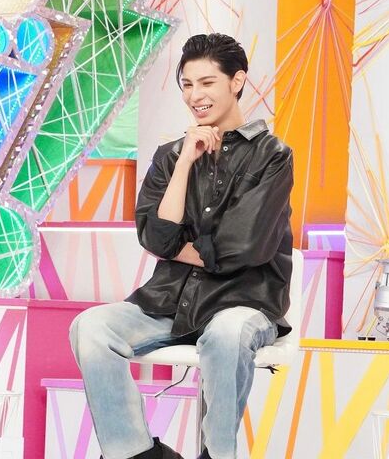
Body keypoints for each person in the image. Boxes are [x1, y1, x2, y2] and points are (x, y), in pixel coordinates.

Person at [69, 34, 294, 459]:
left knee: (227, 334)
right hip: (171, 302)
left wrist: (182, 248)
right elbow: (155, 237)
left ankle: (217, 455)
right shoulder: (171, 155)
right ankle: (136, 454)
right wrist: (186, 160)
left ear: (237, 81)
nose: (195, 95)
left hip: (243, 301)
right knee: (91, 327)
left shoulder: (273, 155)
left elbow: (245, 246)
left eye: (207, 83)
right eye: (187, 85)